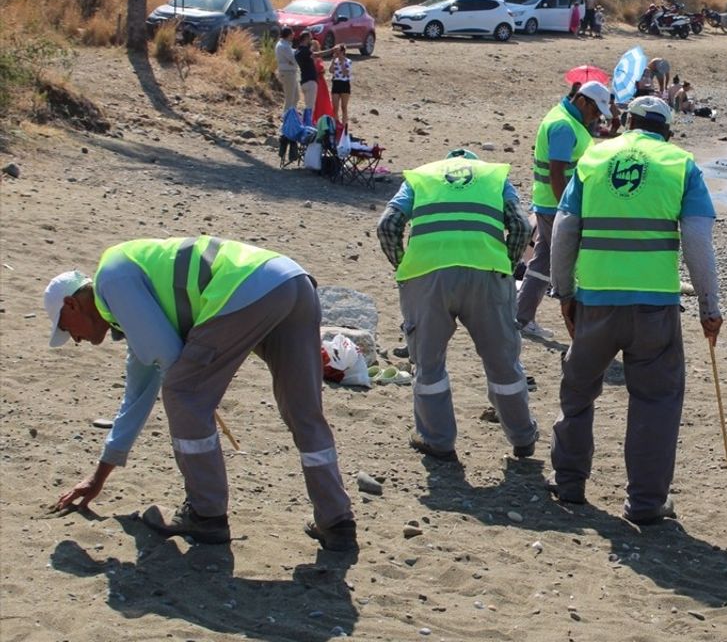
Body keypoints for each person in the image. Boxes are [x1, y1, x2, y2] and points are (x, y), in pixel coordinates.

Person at [45, 237, 356, 551]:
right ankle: (337, 521)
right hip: (292, 281)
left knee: (183, 394)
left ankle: (206, 514)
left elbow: (169, 359)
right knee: (304, 412)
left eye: (65, 328)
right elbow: (137, 396)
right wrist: (98, 477)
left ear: (71, 304)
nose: (74, 340)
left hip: (246, 287)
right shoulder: (127, 305)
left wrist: (193, 390)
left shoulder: (110, 277)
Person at [546, 96, 721, 524]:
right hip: (654, 306)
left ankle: (569, 483)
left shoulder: (594, 158)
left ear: (626, 122)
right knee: (655, 401)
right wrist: (708, 306)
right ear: (668, 132)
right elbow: (698, 241)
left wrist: (564, 292)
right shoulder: (680, 164)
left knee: (578, 391)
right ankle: (645, 503)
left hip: (595, 299)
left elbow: (565, 229)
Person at [376, 149, 539, 462]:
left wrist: (403, 268)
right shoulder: (495, 177)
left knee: (429, 364)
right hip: (487, 276)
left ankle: (437, 440)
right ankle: (522, 437)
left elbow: (388, 225)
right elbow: (520, 226)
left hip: (427, 278)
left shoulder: (420, 177)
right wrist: (505, 267)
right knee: (502, 362)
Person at [515, 80, 612, 339]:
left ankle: (520, 317)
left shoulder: (568, 121)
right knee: (567, 262)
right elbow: (556, 172)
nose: (596, 116)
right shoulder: (563, 126)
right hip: (555, 205)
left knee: (543, 261)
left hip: (551, 204)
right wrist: (565, 211)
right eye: (595, 110)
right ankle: (577, 325)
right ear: (581, 100)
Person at [275, 27, 301, 117]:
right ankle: (286, 116)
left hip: (291, 72)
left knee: (296, 96)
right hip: (287, 73)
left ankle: (292, 114)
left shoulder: (285, 45)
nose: (293, 35)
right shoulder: (284, 46)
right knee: (290, 97)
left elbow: (292, 57)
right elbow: (294, 59)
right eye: (292, 33)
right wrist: (292, 61)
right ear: (289, 35)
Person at [311, 39, 335, 125]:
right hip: (316, 80)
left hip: (322, 82)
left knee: (323, 100)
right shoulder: (311, 57)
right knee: (316, 100)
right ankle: (315, 119)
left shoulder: (319, 58)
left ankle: (324, 118)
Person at [330, 45, 352, 128]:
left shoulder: (348, 61)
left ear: (342, 51)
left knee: (344, 107)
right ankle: (336, 125)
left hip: (345, 84)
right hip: (336, 83)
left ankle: (344, 125)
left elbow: (346, 73)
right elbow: (331, 70)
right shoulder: (335, 61)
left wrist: (342, 61)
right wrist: (333, 60)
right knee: (335, 107)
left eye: (338, 51)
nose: (337, 53)